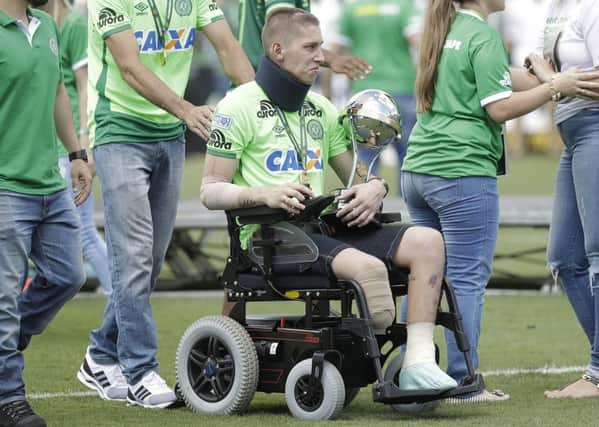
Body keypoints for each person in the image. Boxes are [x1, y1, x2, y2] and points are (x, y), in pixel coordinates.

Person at [201, 7, 458, 394]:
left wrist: (375, 189)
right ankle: (365, 354)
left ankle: (419, 361)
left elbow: (359, 177)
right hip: (270, 235)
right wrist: (263, 194)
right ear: (277, 49)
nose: (321, 56)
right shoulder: (236, 106)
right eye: (310, 47)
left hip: (322, 228)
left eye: (320, 46)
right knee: (368, 270)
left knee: (428, 242)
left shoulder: (321, 109)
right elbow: (210, 189)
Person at [400, 0, 599, 403]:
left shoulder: (442, 29)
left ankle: (413, 366)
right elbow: (498, 108)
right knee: (467, 279)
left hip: (417, 169)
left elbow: (494, 79)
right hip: (462, 170)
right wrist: (553, 88)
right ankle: (462, 381)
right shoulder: (484, 35)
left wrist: (549, 78)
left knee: (422, 275)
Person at [78, 0, 254, 409]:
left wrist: (259, 116)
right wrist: (186, 110)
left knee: (150, 262)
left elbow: (228, 49)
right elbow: (130, 67)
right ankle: (139, 371)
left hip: (170, 135)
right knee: (135, 257)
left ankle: (101, 355)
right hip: (119, 131)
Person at [0, 0, 92, 425]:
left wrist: (76, 151)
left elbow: (57, 89)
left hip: (49, 183)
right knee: (3, 300)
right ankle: (9, 399)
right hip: (6, 187)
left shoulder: (48, 28)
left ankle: (6, 343)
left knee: (68, 274)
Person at [524, 0, 599, 400]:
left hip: (595, 126)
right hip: (573, 134)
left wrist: (550, 77)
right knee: (564, 258)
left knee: (597, 251)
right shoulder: (558, 6)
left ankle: (598, 373)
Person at [38, 0, 112, 296]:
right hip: (47, 142)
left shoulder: (74, 25)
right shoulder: (39, 25)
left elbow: (84, 87)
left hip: (66, 143)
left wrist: (83, 141)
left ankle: (116, 293)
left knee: (83, 231)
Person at [335, 0, 422, 183]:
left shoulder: (352, 9)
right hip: (402, 89)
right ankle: (408, 209)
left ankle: (365, 207)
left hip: (364, 95)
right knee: (408, 158)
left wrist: (326, 92)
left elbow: (335, 50)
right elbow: (419, 44)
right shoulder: (405, 6)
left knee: (365, 158)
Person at [237, 0, 372, 81]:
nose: (319, 57)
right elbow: (285, 32)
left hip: (251, 88)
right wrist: (332, 59)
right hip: (262, 95)